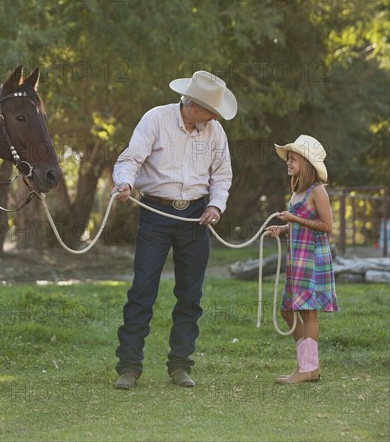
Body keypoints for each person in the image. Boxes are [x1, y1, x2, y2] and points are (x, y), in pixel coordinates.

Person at [110, 70, 237, 389]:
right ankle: (129, 367)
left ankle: (180, 365)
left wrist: (215, 205)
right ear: (193, 105)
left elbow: (222, 175)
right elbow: (130, 159)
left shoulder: (214, 132)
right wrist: (124, 183)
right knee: (143, 289)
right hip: (155, 212)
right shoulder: (156, 119)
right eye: (210, 111)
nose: (213, 117)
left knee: (191, 294)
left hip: (196, 217)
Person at [265, 134, 339, 384]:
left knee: (307, 313)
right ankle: (309, 364)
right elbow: (301, 226)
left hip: (312, 258)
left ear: (305, 162)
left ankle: (308, 367)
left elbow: (326, 226)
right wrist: (283, 230)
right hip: (297, 259)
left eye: (292, 158)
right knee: (288, 311)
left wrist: (294, 220)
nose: (288, 162)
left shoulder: (317, 191)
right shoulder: (298, 191)